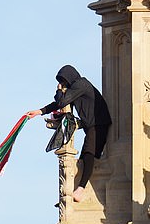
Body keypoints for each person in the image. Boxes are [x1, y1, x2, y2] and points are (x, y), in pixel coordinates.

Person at [27, 65, 112, 202]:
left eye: (63, 81)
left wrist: (59, 91)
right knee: (86, 156)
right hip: (92, 125)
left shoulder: (81, 84)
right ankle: (76, 189)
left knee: (89, 154)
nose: (62, 84)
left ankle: (80, 189)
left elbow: (61, 101)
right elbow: (58, 104)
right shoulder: (76, 88)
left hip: (98, 124)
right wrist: (39, 112)